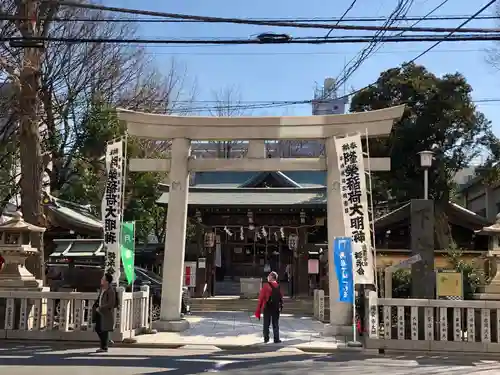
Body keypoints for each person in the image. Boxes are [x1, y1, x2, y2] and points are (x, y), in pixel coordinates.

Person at [255, 271, 283, 343]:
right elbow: (281, 297)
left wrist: (258, 309)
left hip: (267, 307)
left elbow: (261, 298)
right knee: (275, 323)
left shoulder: (266, 286)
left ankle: (266, 338)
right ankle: (276, 339)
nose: (268, 277)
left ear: (271, 277)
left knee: (266, 323)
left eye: (269, 276)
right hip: (276, 307)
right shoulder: (278, 286)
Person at [93, 273, 116, 352]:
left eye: (103, 279)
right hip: (100, 311)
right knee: (98, 328)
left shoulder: (110, 290)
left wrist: (101, 308)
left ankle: (104, 347)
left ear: (107, 281)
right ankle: (106, 341)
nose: (101, 280)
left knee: (103, 329)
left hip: (106, 313)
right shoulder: (102, 289)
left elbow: (111, 303)